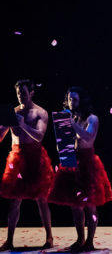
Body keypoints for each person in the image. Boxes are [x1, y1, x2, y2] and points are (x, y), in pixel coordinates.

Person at [48, 86, 112, 251]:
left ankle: (90, 241)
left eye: (75, 99)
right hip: (71, 161)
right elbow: (62, 142)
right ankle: (80, 240)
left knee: (90, 203)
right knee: (75, 205)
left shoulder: (92, 118)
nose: (72, 102)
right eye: (70, 99)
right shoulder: (67, 117)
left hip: (87, 162)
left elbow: (88, 136)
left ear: (82, 101)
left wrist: (71, 124)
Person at [0, 79, 55, 250]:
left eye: (23, 93)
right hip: (17, 156)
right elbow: (0, 137)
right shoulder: (13, 112)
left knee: (41, 199)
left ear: (31, 93)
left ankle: (49, 238)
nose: (20, 97)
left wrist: (22, 125)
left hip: (35, 156)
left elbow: (39, 136)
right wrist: (3, 125)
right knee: (14, 201)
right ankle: (9, 240)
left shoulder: (40, 113)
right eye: (18, 94)